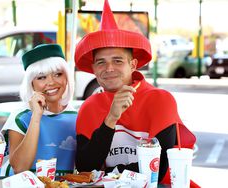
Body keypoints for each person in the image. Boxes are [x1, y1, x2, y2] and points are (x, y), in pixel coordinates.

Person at [74, 0, 198, 187]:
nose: (109, 68)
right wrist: (111, 119)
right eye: (101, 62)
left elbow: (159, 166)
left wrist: (111, 174)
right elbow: (85, 168)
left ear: (132, 64)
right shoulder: (88, 107)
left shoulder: (160, 99)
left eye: (117, 61)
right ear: (93, 68)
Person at [1, 44, 77, 177]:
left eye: (58, 74)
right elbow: (19, 168)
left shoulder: (76, 117)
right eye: (41, 77)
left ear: (66, 78)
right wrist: (36, 117)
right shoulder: (20, 117)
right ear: (31, 83)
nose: (51, 82)